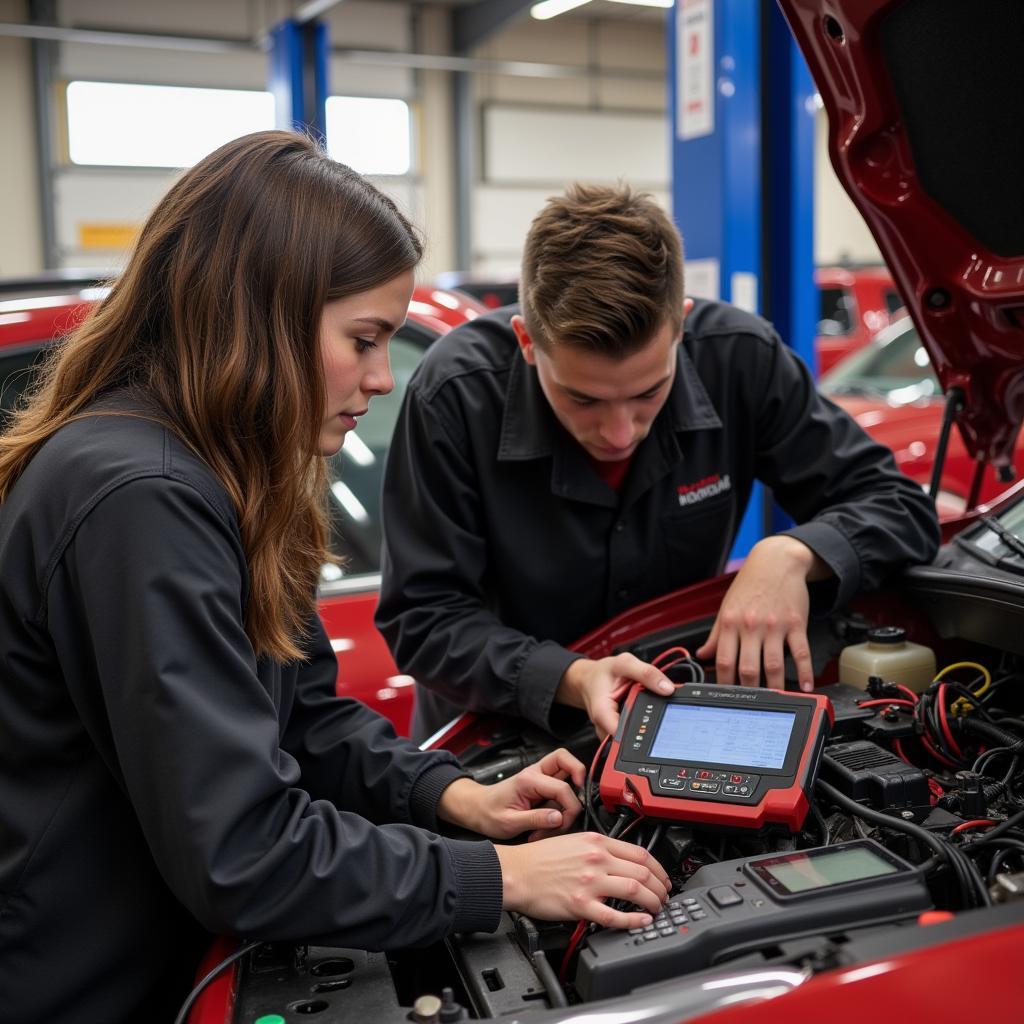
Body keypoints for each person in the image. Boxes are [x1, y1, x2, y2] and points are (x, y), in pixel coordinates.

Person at [0, 134, 670, 1024]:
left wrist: (453, 796)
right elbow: (241, 853)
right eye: (363, 339)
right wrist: (500, 877)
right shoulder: (141, 497)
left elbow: (304, 716)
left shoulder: (214, 476)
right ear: (257, 315)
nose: (382, 378)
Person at [376, 183, 941, 743]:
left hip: (683, 727)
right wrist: (571, 677)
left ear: (682, 329)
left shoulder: (741, 360)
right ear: (527, 341)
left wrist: (793, 553)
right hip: (504, 744)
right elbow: (426, 619)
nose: (619, 432)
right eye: (583, 398)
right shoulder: (455, 393)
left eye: (649, 392)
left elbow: (899, 508)